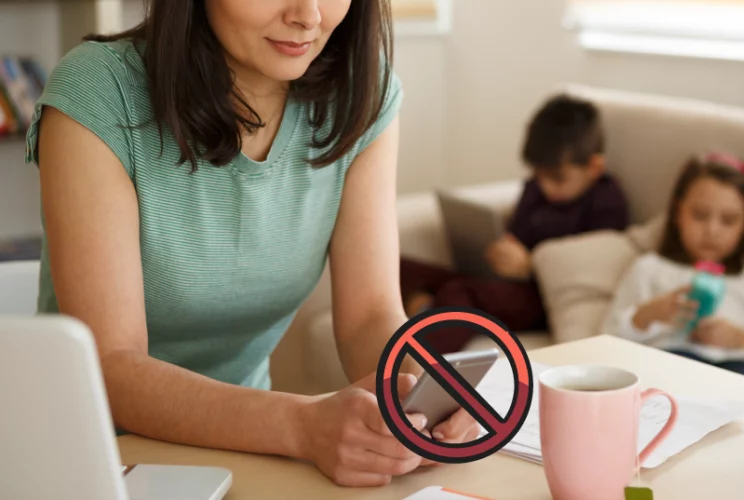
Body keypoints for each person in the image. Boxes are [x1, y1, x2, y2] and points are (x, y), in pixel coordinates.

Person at [26, 0, 478, 488]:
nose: (309, 15)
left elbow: (370, 316)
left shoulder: (361, 93)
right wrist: (301, 424)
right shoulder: (98, 91)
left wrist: (424, 394)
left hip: (246, 450)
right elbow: (111, 366)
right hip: (91, 455)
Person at [402, 95, 630, 354]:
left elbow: (591, 271)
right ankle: (428, 309)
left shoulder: (606, 202)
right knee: (400, 267)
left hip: (542, 298)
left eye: (557, 178)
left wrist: (531, 266)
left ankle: (420, 364)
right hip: (505, 283)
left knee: (460, 293)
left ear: (594, 167)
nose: (545, 186)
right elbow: (516, 234)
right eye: (539, 174)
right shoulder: (534, 190)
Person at [602, 153, 744, 383]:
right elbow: (607, 340)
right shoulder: (650, 268)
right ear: (677, 213)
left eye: (728, 220)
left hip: (741, 368)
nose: (712, 230)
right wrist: (649, 314)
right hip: (671, 360)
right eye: (700, 215)